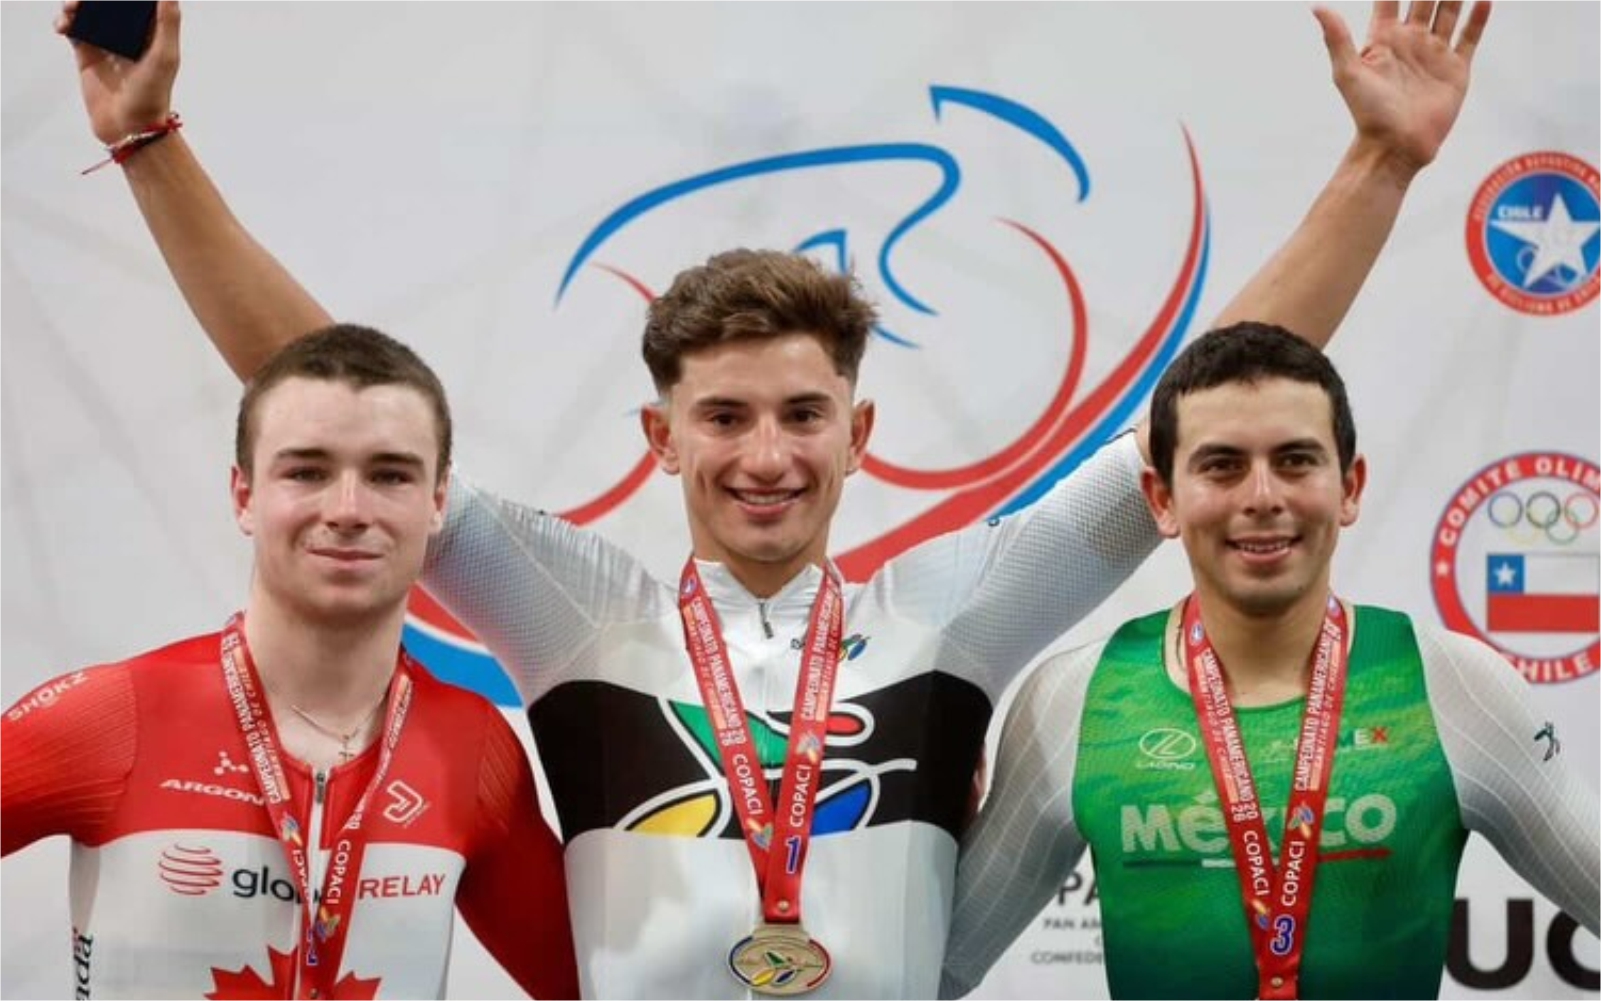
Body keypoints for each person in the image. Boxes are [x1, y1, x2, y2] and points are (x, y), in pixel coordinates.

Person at [53, 1, 1492, 995]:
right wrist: (150, 144)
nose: (765, 455)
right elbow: (334, 394)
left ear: (858, 433)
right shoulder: (576, 611)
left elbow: (1202, 415)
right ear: (659, 436)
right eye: (724, 418)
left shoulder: (955, 608)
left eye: (803, 416)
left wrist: (1381, 163)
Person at [940, 322, 1601, 1000]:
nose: (1261, 496)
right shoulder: (1072, 698)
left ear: (1349, 486)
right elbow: (937, 972)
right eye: (1221, 465)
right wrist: (905, 844)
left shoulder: (1455, 686)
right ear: (1162, 499)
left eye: (1294, 460)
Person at [0, 325, 580, 1000]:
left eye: (389, 475)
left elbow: (593, 986)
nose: (348, 509)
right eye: (307, 471)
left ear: (437, 502)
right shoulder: (113, 716)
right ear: (244, 495)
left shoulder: (471, 748)